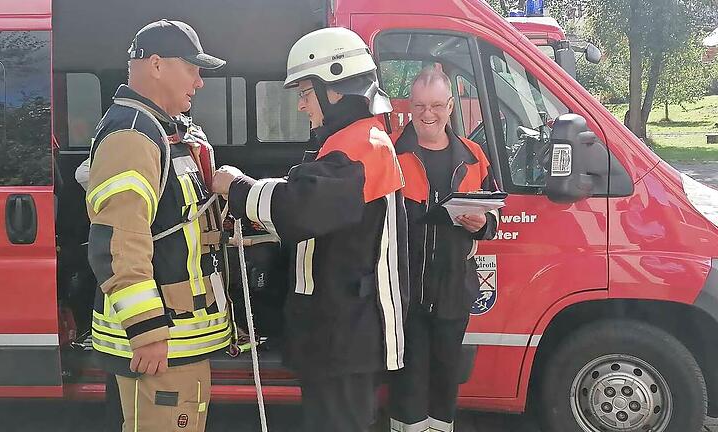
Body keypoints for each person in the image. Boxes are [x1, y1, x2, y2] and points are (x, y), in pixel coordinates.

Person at [211, 27, 409, 432]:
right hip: (340, 333)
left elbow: (299, 208)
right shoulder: (353, 143)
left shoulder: (361, 148)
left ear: (333, 90)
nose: (302, 106)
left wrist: (235, 187)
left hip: (347, 336)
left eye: (305, 92)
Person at [85, 19, 231, 432]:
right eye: (193, 68)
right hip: (158, 343)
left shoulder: (163, 129)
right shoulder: (133, 134)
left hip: (176, 339)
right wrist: (147, 330)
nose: (200, 82)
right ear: (156, 65)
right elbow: (118, 242)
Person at [388, 67, 500, 432]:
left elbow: (495, 218)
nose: (427, 114)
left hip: (454, 290)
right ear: (410, 105)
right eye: (419, 105)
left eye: (437, 105)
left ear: (451, 106)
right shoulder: (388, 151)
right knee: (408, 384)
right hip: (404, 293)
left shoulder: (473, 156)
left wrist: (483, 225)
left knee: (446, 382)